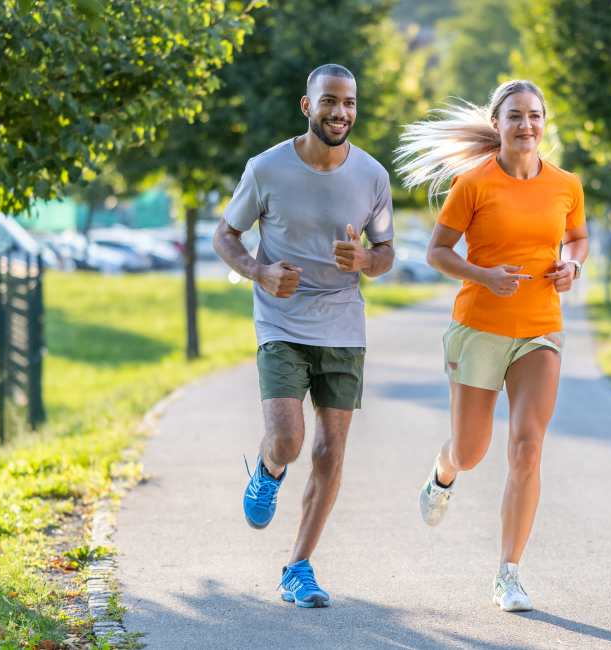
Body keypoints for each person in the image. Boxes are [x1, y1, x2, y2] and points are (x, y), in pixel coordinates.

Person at [395, 79, 589, 612]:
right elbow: (437, 251)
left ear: (544, 122)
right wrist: (482, 274)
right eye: (515, 116)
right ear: (497, 123)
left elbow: (577, 237)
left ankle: (509, 573)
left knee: (527, 448)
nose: (526, 125)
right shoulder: (473, 183)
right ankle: (443, 471)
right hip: (479, 326)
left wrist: (572, 263)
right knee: (472, 451)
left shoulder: (566, 184)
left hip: (540, 329)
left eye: (535, 115)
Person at [213, 63, 394, 608]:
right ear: (306, 105)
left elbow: (386, 255)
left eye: (350, 103)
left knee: (330, 451)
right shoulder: (267, 169)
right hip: (281, 319)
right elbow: (226, 234)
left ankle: (298, 566)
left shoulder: (372, 176)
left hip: (343, 321)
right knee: (290, 441)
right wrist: (258, 271)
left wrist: (365, 258)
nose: (341, 112)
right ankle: (269, 469)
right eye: (330, 101)